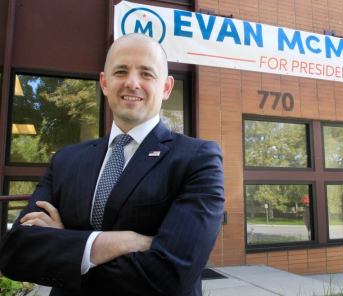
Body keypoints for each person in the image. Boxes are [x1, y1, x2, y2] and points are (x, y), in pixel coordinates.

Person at [0, 33, 224, 296]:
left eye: (146, 73)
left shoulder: (197, 159)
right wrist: (120, 242)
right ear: (104, 83)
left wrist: (66, 245)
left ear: (166, 87)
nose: (132, 83)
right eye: (120, 71)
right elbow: (16, 253)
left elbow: (171, 275)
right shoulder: (66, 160)